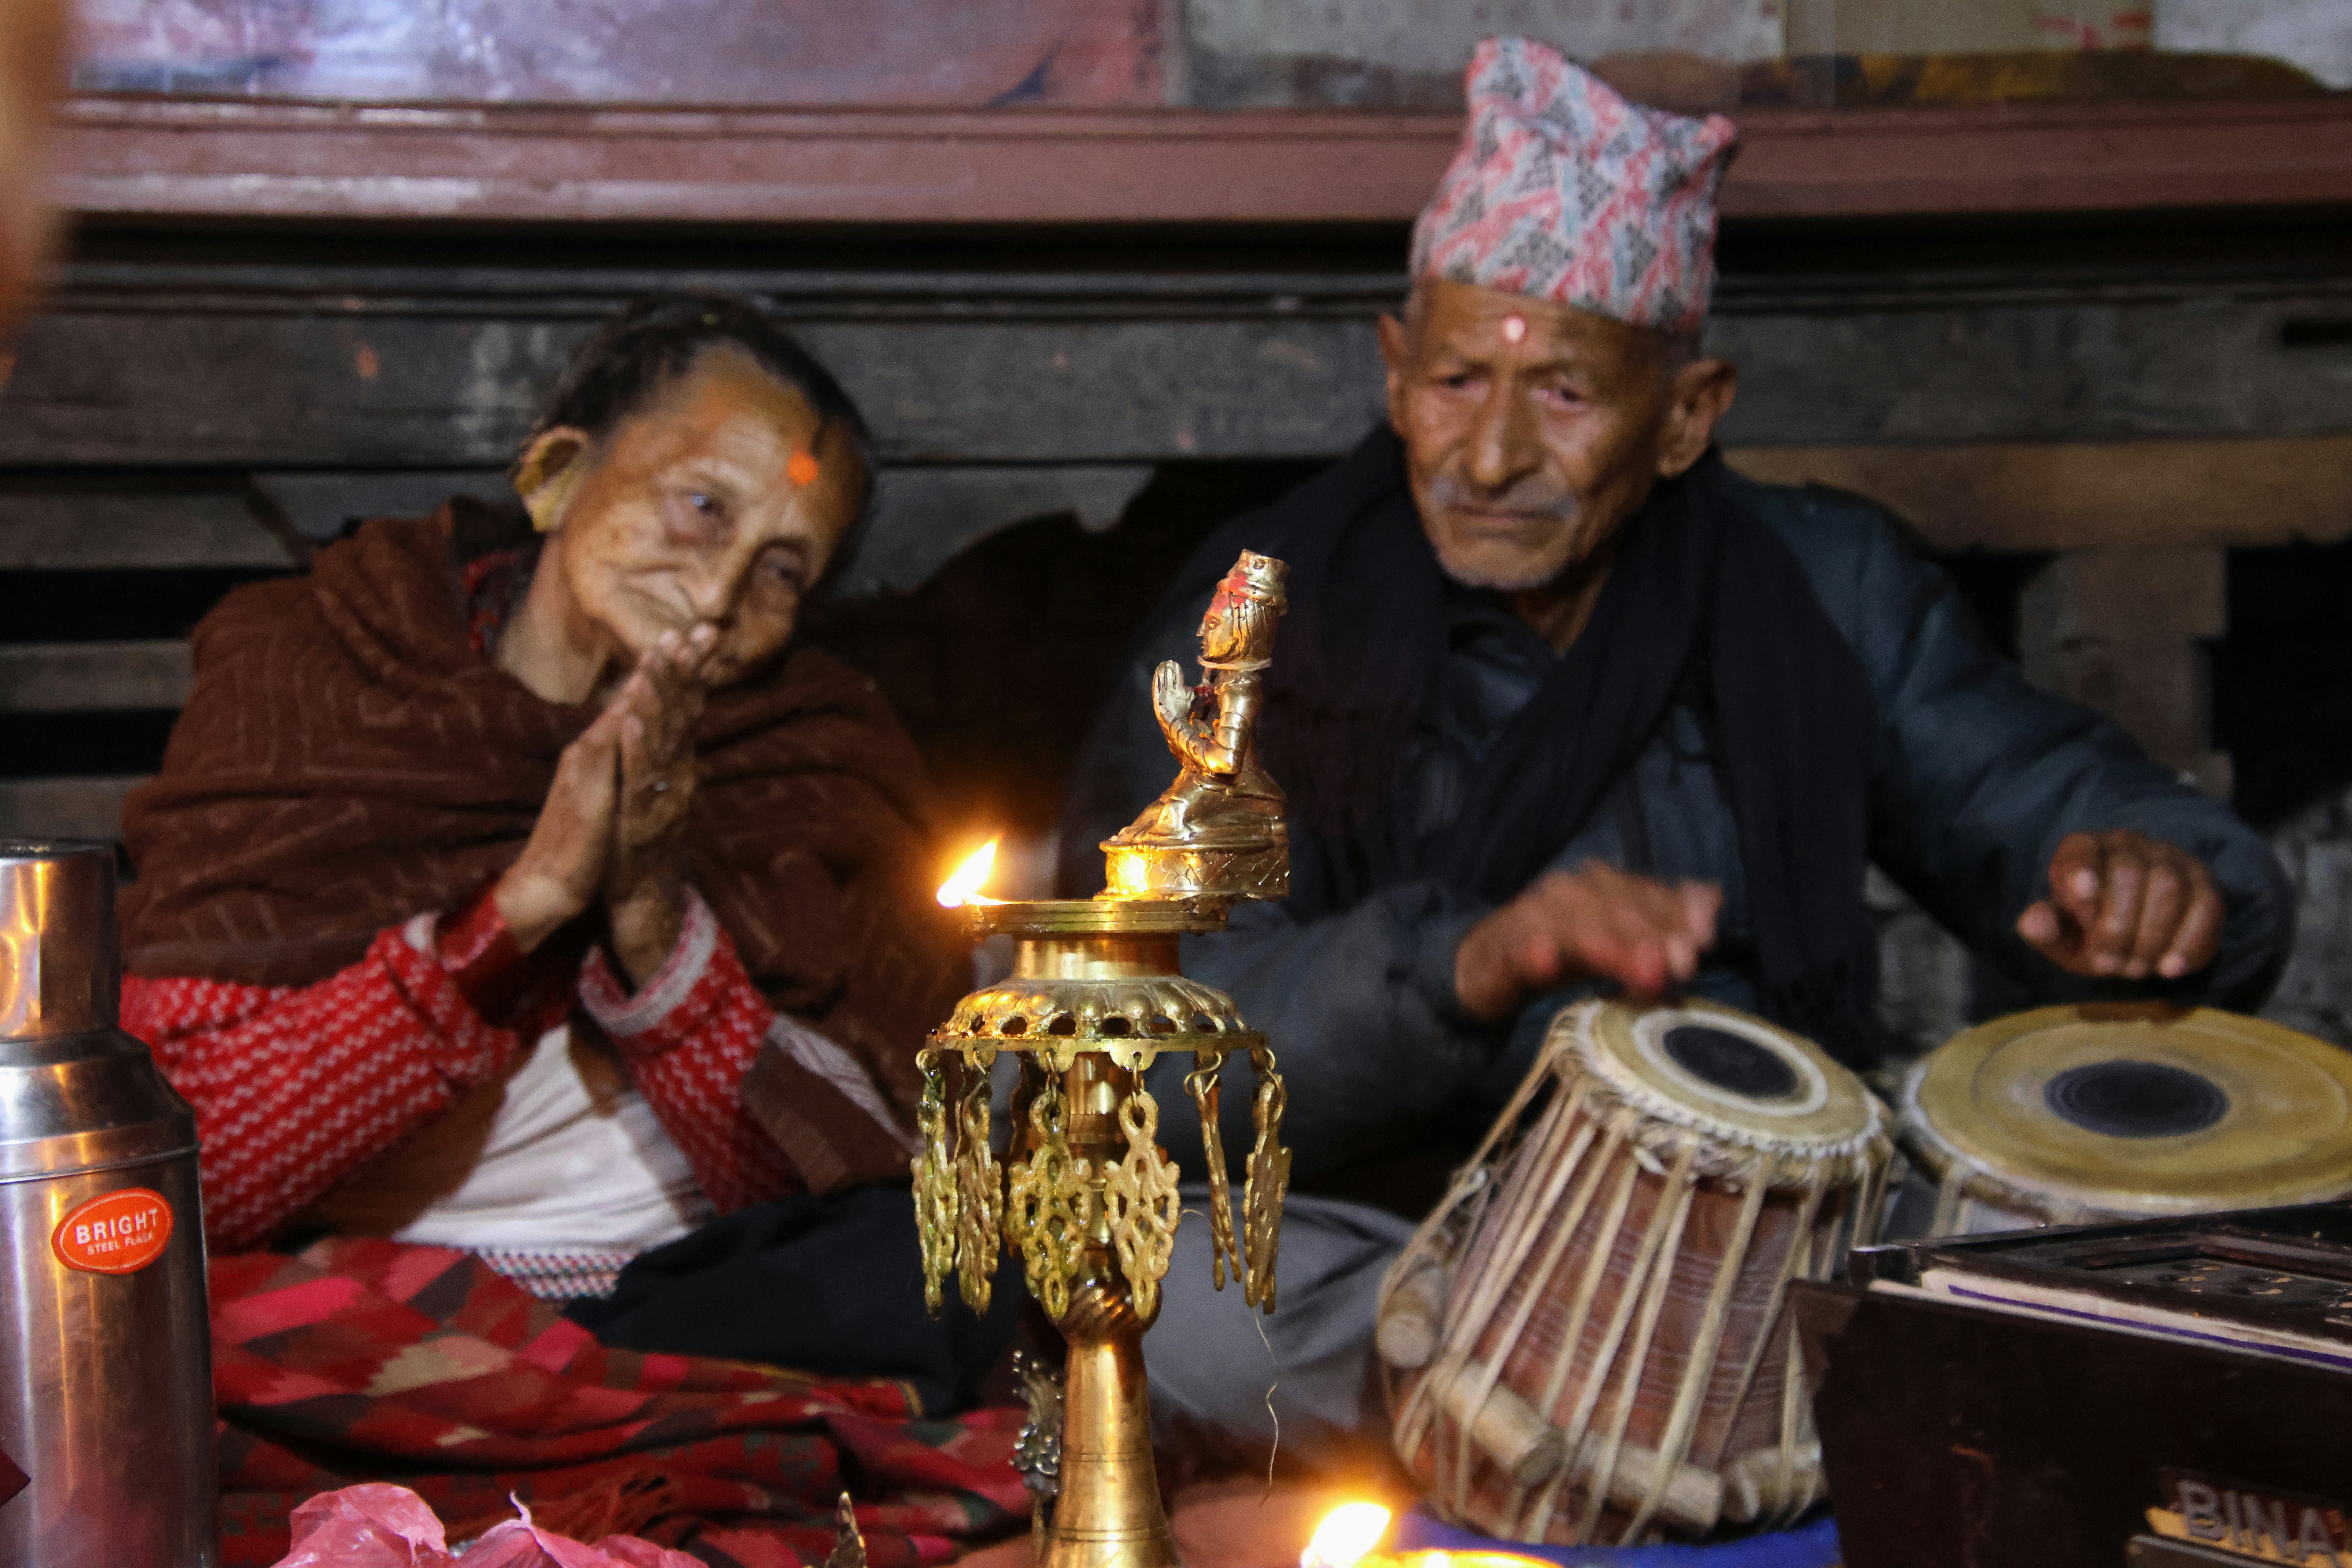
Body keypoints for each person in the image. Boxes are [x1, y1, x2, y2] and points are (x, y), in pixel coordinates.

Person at [1057, 39, 2294, 1465]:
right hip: (1415, 1245)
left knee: (2165, 1238)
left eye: (1567, 397)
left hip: (1781, 1233)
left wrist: (2165, 880)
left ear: (1690, 414)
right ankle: (1684, 1419)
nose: (1493, 454)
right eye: (1458, 380)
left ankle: (1597, 1420)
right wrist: (1449, 970)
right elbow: (1121, 1051)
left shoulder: (1819, 587)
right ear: (1395, 375)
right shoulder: (1257, 623)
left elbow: (2045, 802)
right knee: (1145, 1276)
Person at [120, 294, 1013, 1410]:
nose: (723, 587)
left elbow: (835, 1182)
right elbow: (185, 1172)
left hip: (683, 1301)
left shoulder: (810, 759)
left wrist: (650, 914)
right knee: (115, 1309)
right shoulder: (318, 673)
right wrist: (520, 912)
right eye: (699, 505)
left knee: (928, 1275)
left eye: (784, 568)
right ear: (552, 477)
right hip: (355, 1298)